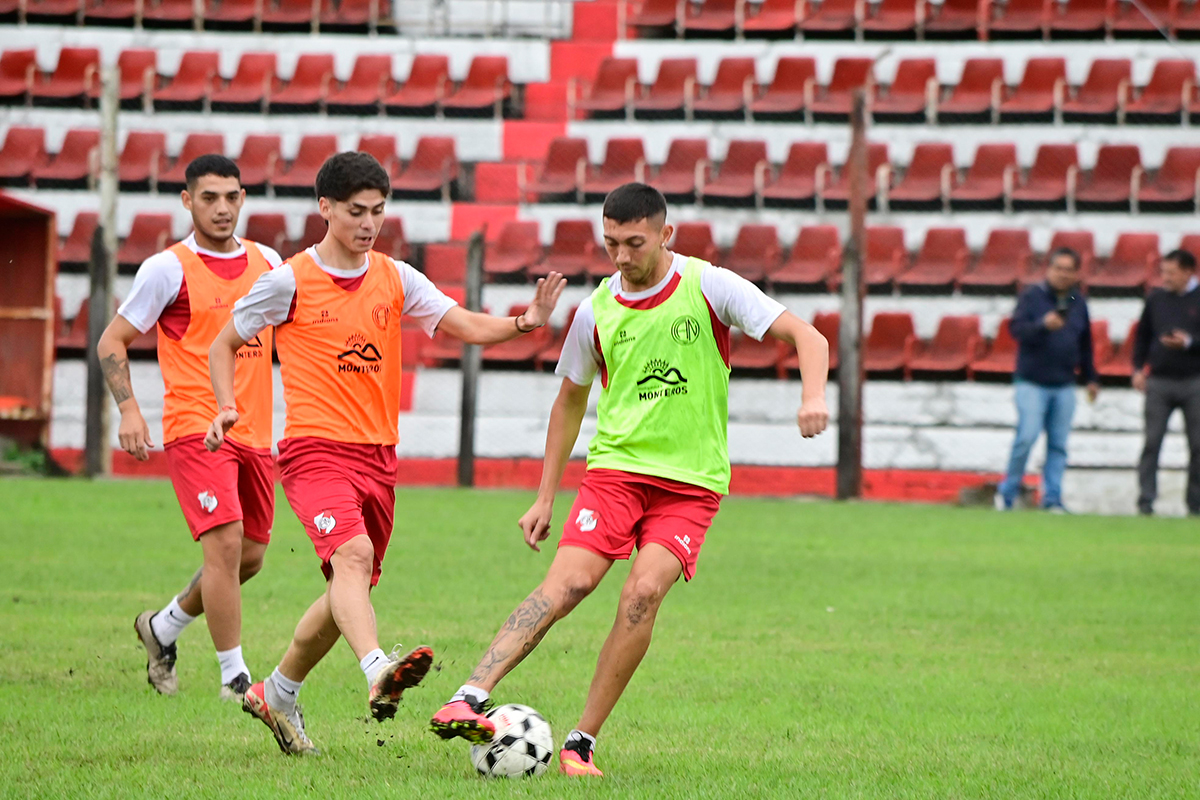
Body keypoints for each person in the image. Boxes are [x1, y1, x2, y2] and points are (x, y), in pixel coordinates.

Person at [428, 182, 830, 777]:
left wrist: (813, 397)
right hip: (614, 473)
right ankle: (469, 694)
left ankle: (580, 742)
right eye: (611, 242)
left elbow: (808, 336)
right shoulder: (596, 309)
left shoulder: (708, 286)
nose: (620, 256)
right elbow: (568, 401)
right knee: (568, 585)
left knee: (642, 594)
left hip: (690, 485)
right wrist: (545, 494)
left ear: (666, 235)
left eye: (634, 243)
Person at [204, 151, 565, 756]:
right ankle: (377, 669)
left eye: (377, 211)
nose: (369, 223)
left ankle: (279, 691)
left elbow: (463, 324)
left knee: (349, 588)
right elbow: (224, 344)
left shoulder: (395, 277)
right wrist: (224, 404)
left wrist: (524, 322)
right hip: (313, 451)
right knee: (353, 556)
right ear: (325, 209)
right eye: (355, 212)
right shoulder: (290, 280)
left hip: (378, 459)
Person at [97, 154, 282, 700]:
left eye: (231, 196)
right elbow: (112, 341)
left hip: (255, 433)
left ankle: (163, 627)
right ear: (187, 201)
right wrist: (130, 410)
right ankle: (235, 679)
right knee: (223, 547)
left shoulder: (269, 261)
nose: (222, 208)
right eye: (209, 198)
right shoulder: (166, 269)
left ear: (243, 198)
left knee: (249, 557)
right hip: (195, 429)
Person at [996, 247, 1099, 512]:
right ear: (1049, 269)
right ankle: (1007, 493)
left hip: (1064, 383)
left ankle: (1052, 498)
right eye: (1059, 268)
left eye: (1069, 270)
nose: (1063, 275)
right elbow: (1016, 330)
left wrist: (1091, 377)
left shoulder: (1078, 300)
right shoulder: (1032, 296)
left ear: (1077, 273)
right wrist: (1043, 325)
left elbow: (1085, 342)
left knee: (1059, 445)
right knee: (1026, 436)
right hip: (1031, 381)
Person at [1133, 249, 1200, 516]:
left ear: (1188, 271)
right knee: (1151, 442)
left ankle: (1195, 505)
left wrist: (1189, 343)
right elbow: (1142, 336)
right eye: (1163, 272)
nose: (1165, 278)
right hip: (1159, 381)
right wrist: (1138, 368)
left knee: (1198, 445)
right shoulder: (1156, 298)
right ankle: (1145, 502)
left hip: (1195, 381)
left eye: (1171, 273)